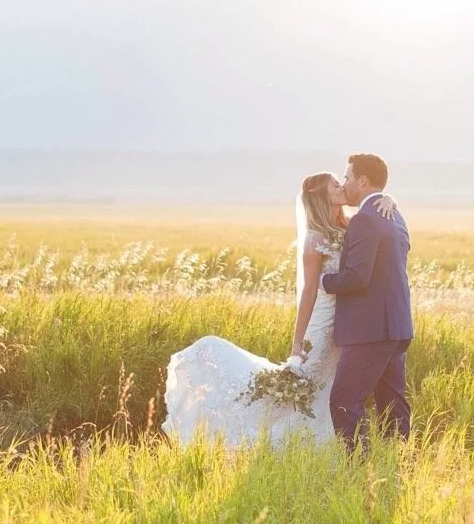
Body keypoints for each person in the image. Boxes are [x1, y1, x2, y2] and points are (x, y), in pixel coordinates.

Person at [163, 169, 395, 446]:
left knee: (332, 385)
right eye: (336, 185)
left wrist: (389, 199)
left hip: (347, 322)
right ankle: (275, 438)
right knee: (308, 381)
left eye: (341, 182)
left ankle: (328, 445)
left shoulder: (351, 225)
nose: (343, 187)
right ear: (323, 198)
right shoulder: (315, 239)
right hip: (323, 320)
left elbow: (373, 216)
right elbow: (309, 292)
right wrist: (298, 342)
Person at [320, 152, 413, 446]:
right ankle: (397, 466)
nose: (345, 183)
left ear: (362, 180)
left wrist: (321, 281)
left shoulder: (365, 219)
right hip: (396, 326)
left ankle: (356, 469)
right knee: (392, 404)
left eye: (347, 177)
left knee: (344, 401)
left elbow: (357, 278)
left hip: (371, 330)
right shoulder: (394, 214)